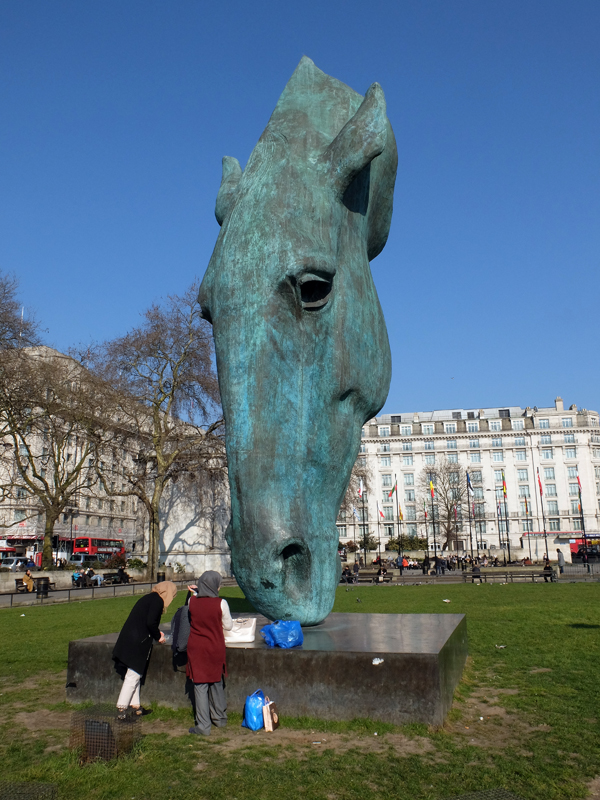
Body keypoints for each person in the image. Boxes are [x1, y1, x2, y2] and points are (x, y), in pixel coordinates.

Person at [113, 580, 177, 718]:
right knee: (133, 675)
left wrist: (156, 632)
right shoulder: (157, 601)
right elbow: (151, 622)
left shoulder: (149, 598)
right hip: (137, 642)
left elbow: (146, 620)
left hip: (131, 638)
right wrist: (158, 636)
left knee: (135, 673)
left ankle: (135, 706)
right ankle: (121, 709)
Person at [186, 571, 233, 736]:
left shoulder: (192, 602)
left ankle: (203, 725)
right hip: (214, 647)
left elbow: (194, 612)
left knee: (200, 685)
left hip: (197, 648)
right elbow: (228, 626)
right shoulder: (221, 603)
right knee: (216, 682)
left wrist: (196, 593)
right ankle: (220, 718)